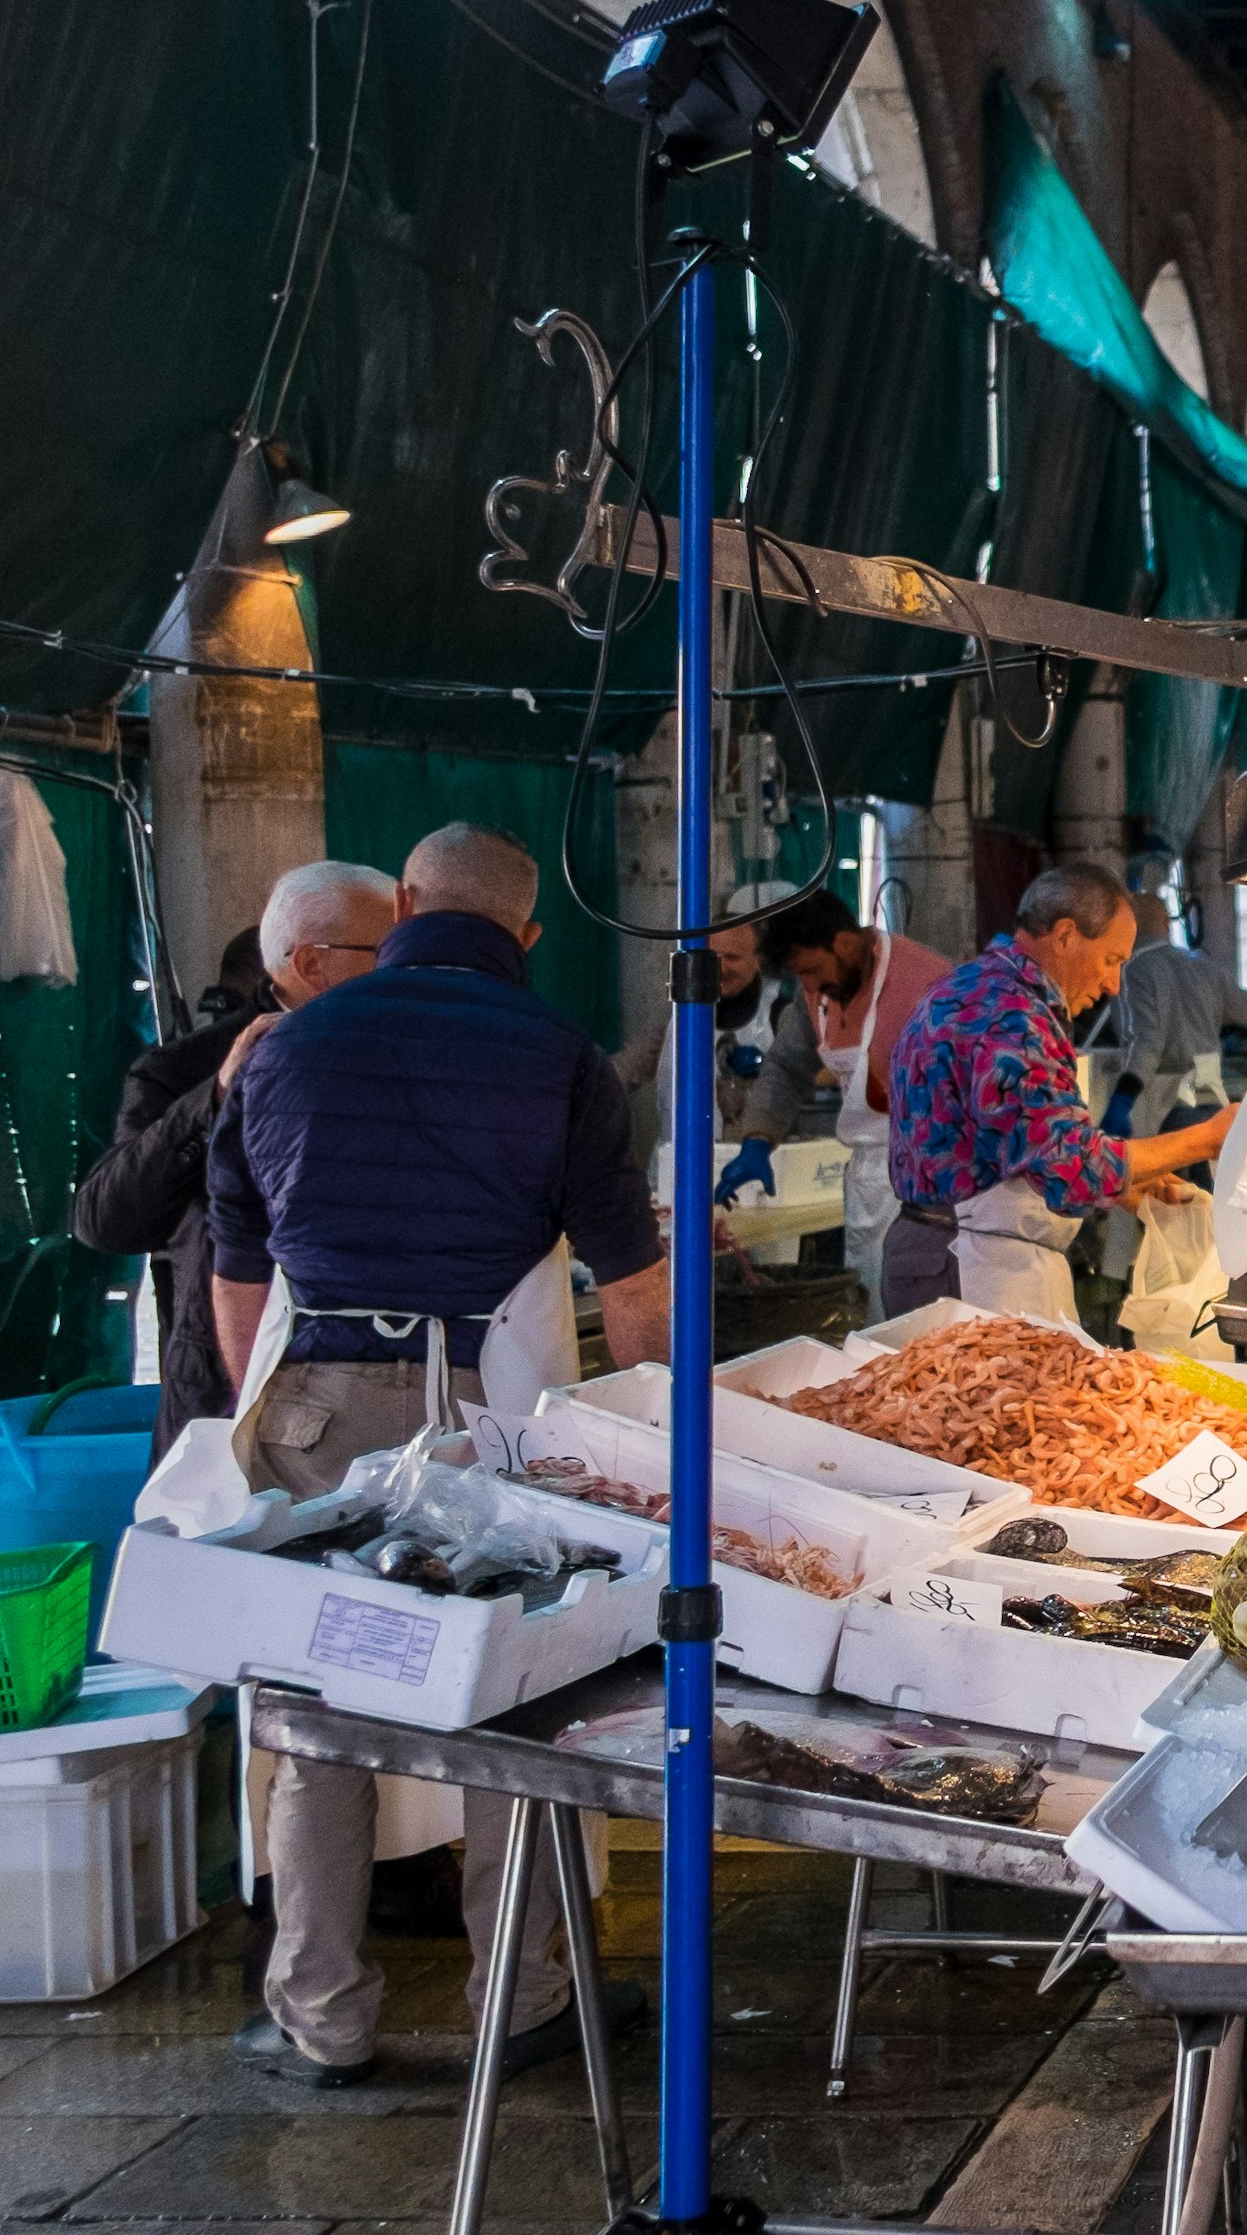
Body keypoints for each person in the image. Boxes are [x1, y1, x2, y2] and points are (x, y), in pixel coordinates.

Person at [206, 822, 670, 2089]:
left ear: (404, 902)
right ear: (526, 934)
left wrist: (271, 1422)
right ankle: (518, 1996)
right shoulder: (562, 1059)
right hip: (487, 1419)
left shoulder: (279, 1050)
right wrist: (651, 1433)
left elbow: (238, 1283)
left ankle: (320, 2015)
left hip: (308, 1410)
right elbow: (634, 1285)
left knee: (315, 1712)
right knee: (518, 1701)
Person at [71, 869, 396, 1457]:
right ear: (311, 964)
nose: (406, 969)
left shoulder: (411, 1055)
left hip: (380, 1381)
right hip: (224, 1395)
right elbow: (104, 1221)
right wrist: (215, 1099)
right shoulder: (185, 1069)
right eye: (388, 951)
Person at [881, 864, 1238, 1324]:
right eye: (1112, 961)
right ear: (1067, 935)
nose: (1114, 985)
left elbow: (1010, 1149)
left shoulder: (972, 986)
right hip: (966, 1268)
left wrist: (1122, 1186)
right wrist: (1208, 1138)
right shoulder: (1010, 1015)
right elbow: (1074, 1169)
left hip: (946, 1253)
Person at [756, 887, 956, 1307]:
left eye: (811, 970)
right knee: (871, 1313)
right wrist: (759, 1138)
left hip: (927, 1190)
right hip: (865, 1181)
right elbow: (788, 1066)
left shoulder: (929, 984)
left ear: (845, 943)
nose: (809, 986)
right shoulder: (816, 993)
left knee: (916, 1321)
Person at [614, 899, 819, 1204]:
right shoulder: (675, 1020)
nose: (719, 968)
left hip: (760, 1188)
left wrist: (770, 1068)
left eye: (732, 957)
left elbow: (833, 1071)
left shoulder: (783, 1016)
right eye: (712, 957)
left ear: (758, 960)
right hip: (680, 1183)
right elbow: (621, 1071)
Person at [1096, 891, 1247, 1134]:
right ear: (1166, 924)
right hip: (1212, 1106)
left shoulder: (1131, 970)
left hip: (1161, 1111)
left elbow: (1145, 1043)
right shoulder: (1204, 968)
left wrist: (1122, 1101)